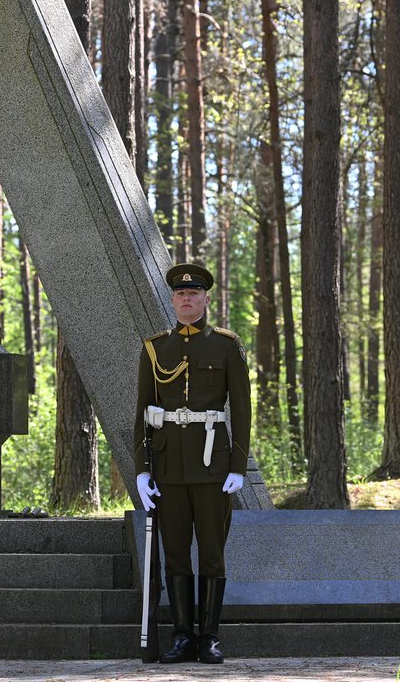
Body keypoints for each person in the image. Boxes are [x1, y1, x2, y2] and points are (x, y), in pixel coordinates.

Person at [133, 262, 252, 664]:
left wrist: (238, 466)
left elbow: (242, 408)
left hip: (213, 464)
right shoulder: (154, 348)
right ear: (172, 300)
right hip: (168, 467)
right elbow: (143, 412)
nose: (187, 299)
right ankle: (182, 636)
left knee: (213, 552)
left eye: (194, 294)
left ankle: (209, 638)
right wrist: (142, 469)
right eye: (181, 295)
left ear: (204, 299)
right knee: (176, 552)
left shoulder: (225, 345)